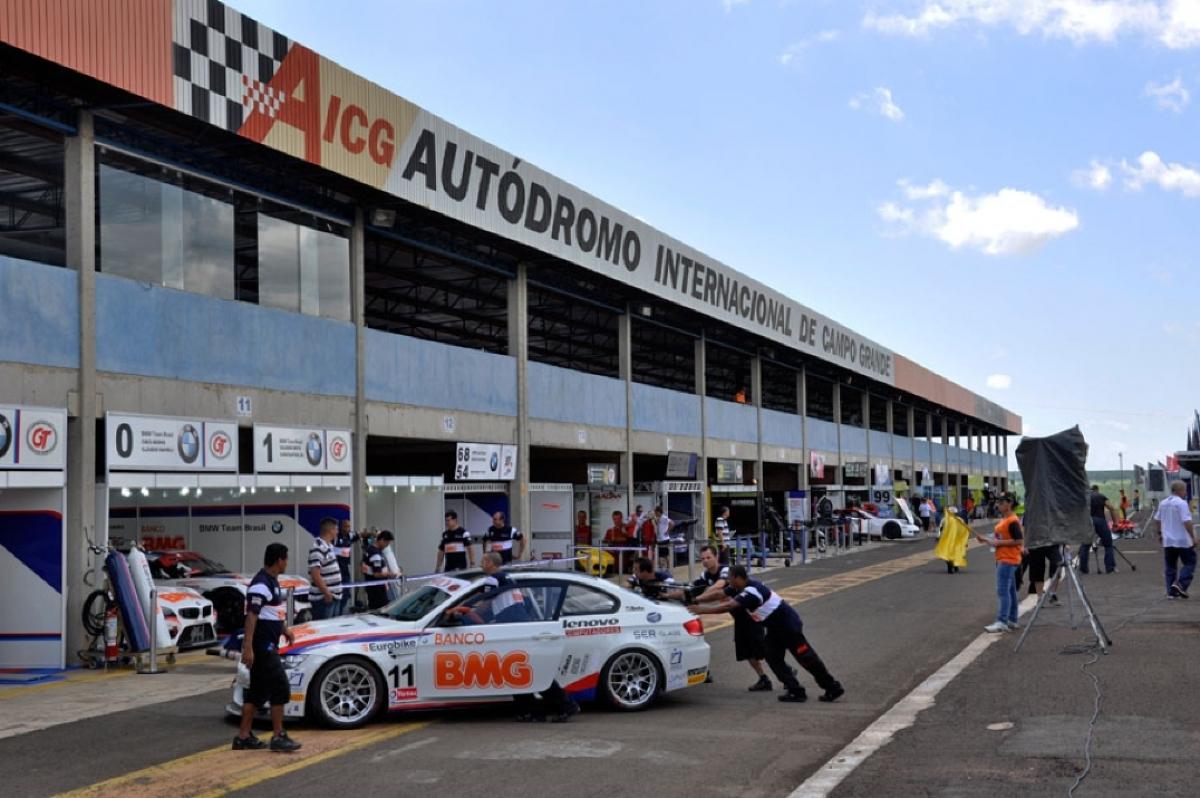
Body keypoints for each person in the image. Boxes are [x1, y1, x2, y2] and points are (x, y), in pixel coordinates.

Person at [690, 565, 844, 703]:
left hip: (788, 625)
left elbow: (729, 606)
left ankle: (832, 687)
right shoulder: (739, 587)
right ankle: (795, 690)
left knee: (806, 658)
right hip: (774, 628)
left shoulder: (752, 591)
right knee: (772, 657)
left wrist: (702, 610)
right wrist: (696, 599)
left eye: (730, 579)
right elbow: (719, 594)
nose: (728, 583)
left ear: (738, 577)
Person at [233, 542, 301, 752]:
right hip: (263, 647)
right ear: (279, 560)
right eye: (286, 559)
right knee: (280, 687)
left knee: (257, 693)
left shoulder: (272, 581)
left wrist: (285, 630)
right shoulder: (261, 583)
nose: (287, 563)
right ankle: (278, 736)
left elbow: (271, 613)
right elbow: (252, 615)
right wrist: (248, 647)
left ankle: (243, 737)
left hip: (268, 644)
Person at [690, 545, 778, 691]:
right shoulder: (705, 575)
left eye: (708, 557)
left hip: (750, 615)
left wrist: (699, 601)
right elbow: (694, 588)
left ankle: (783, 668)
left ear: (716, 557)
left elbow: (718, 589)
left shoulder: (725, 571)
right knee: (746, 651)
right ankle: (763, 678)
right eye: (703, 559)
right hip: (739, 618)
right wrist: (688, 594)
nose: (705, 561)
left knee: (761, 649)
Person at [975, 493, 1024, 633]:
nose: (998, 505)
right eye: (998, 502)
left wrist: (998, 542)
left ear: (1009, 503)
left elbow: (1019, 540)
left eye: (1001, 502)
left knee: (1003, 591)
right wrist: (985, 540)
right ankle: (1012, 620)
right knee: (1010, 591)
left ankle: (1002, 621)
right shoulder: (1006, 520)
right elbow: (999, 538)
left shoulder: (1012, 520)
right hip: (1007, 559)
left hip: (1007, 560)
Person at [1153, 480, 1195, 599]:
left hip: (1168, 540)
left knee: (1170, 566)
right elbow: (1187, 521)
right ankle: (1180, 584)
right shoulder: (1181, 503)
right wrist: (1193, 537)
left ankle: (1171, 592)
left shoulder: (1163, 503)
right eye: (1184, 490)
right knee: (1190, 562)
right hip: (1182, 540)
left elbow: (1157, 519)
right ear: (1179, 490)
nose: (1185, 492)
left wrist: (1160, 533)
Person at [306, 517, 342, 620]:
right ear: (331, 530)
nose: (337, 532)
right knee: (325, 629)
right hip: (324, 599)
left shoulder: (329, 546)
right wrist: (327, 593)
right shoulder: (317, 548)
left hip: (333, 597)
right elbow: (315, 574)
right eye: (336, 529)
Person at [1079, 485, 1117, 575]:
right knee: (1108, 544)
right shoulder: (1100, 496)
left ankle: (1083, 569)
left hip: (1088, 522)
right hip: (1100, 520)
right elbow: (1111, 507)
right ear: (1097, 490)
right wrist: (1115, 522)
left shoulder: (1084, 497)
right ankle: (1110, 568)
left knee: (1085, 545)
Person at [361, 530, 399, 610]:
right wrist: (390, 574)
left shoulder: (370, 549)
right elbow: (377, 574)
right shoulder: (375, 554)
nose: (387, 546)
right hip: (377, 589)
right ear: (381, 540)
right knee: (380, 610)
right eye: (387, 543)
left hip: (373, 587)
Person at [335, 519, 359, 616]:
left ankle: (340, 612)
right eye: (345, 526)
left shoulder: (349, 535)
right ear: (341, 527)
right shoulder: (336, 537)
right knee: (339, 593)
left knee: (346, 592)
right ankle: (337, 614)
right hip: (337, 568)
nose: (347, 529)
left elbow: (359, 535)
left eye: (349, 526)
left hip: (345, 567)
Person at [652, 505, 675, 570]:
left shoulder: (664, 517)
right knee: (661, 554)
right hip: (659, 539)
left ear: (658, 512)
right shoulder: (658, 518)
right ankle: (663, 567)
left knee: (665, 554)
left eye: (656, 512)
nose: (655, 513)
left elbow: (672, 523)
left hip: (664, 539)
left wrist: (668, 531)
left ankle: (668, 567)